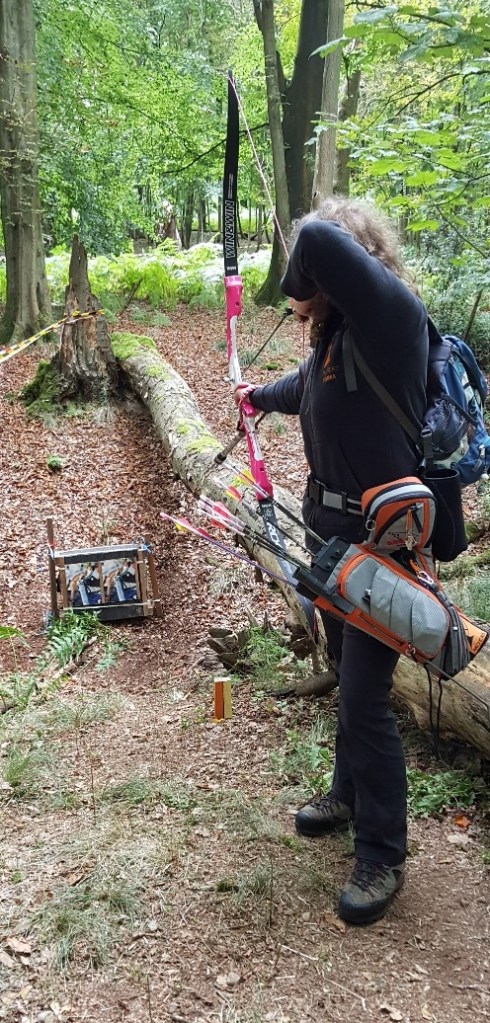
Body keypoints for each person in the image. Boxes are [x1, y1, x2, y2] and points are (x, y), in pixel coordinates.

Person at [234, 197, 429, 926]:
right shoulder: (338, 341)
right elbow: (307, 392)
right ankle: (349, 795)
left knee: (364, 696)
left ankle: (383, 850)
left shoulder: (391, 320)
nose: (303, 298)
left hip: (384, 551)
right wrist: (256, 395)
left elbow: (314, 236)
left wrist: (303, 276)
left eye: (314, 280)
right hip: (332, 544)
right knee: (348, 674)